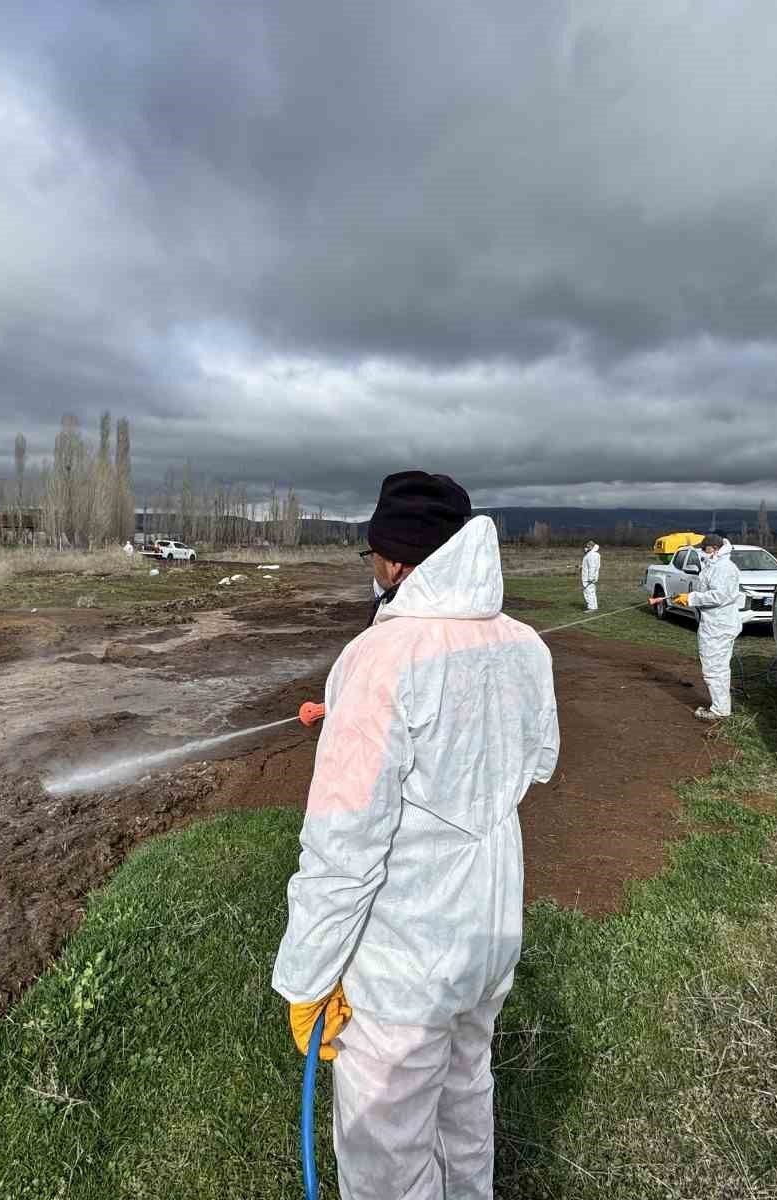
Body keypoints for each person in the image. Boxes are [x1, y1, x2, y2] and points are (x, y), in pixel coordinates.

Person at [273, 470, 561, 1200]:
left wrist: (306, 981)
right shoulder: (525, 644)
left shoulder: (379, 660)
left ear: (399, 560)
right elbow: (538, 761)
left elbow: (344, 848)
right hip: (489, 939)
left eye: (373, 552)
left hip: (407, 964)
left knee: (387, 1158)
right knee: (465, 1103)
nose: (370, 567)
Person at [657, 534, 743, 720]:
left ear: (713, 548)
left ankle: (720, 711)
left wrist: (692, 598)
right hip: (716, 623)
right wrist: (690, 596)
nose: (701, 551)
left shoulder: (723, 568)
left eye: (704, 548)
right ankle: (721, 706)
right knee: (718, 667)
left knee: (714, 668)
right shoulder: (715, 565)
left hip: (719, 625)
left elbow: (719, 596)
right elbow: (709, 591)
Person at [580, 540, 601, 611]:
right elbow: (592, 566)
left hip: (588, 577)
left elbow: (592, 567)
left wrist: (591, 578)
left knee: (588, 592)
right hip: (591, 577)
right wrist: (582, 566)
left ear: (591, 546)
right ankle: (594, 607)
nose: (586, 547)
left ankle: (591, 607)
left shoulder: (591, 555)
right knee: (591, 591)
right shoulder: (594, 554)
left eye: (587, 546)